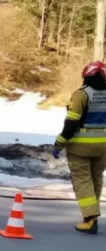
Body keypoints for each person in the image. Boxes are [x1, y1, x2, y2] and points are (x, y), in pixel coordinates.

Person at [53, 61, 106, 234]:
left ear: (86, 76)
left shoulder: (81, 95)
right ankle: (91, 217)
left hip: (80, 147)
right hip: (103, 147)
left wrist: (59, 144)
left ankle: (90, 220)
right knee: (96, 180)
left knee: (83, 181)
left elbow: (71, 124)